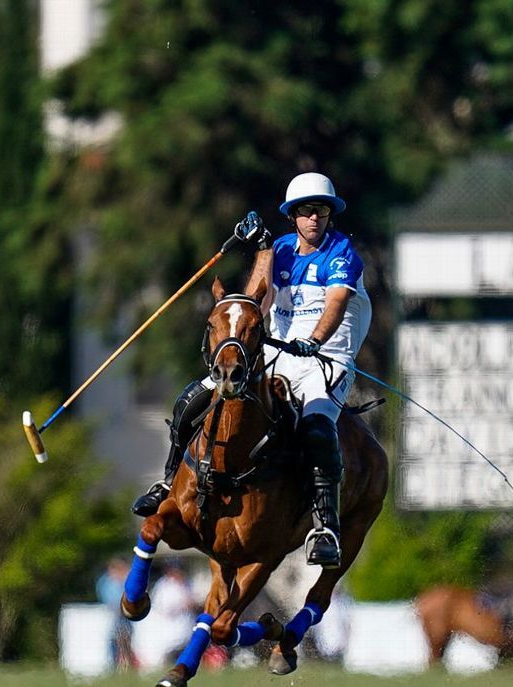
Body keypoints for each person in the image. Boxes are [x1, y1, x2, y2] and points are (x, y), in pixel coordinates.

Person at [131, 172, 371, 569]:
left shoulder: (342, 253)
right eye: (307, 211)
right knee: (191, 399)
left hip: (325, 360)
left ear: (329, 216)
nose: (315, 218)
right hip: (277, 355)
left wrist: (314, 338)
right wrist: (261, 244)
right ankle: (168, 481)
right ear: (293, 216)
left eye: (321, 211)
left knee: (316, 428)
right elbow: (256, 293)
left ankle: (325, 525)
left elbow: (337, 304)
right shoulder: (281, 250)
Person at [96, 558, 134, 669]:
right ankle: (117, 666)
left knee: (125, 642)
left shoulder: (122, 583)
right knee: (117, 643)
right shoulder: (107, 583)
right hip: (115, 618)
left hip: (124, 618)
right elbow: (113, 602)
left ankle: (125, 666)